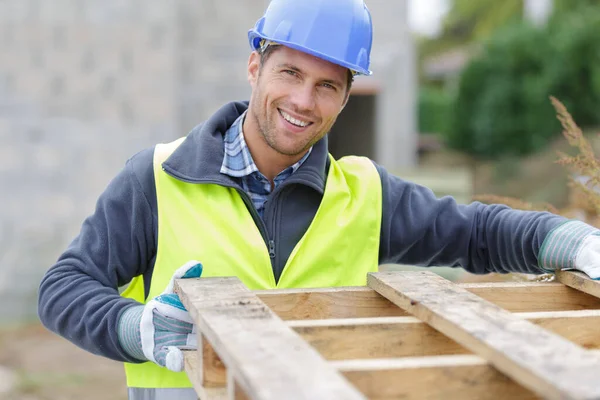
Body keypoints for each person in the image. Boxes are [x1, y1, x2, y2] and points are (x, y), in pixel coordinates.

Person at [38, 0, 600, 399]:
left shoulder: (365, 194)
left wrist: (571, 240)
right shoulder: (156, 178)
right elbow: (63, 288)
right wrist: (135, 329)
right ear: (255, 65)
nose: (303, 100)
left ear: (345, 98)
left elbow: (476, 233)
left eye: (327, 85)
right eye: (290, 72)